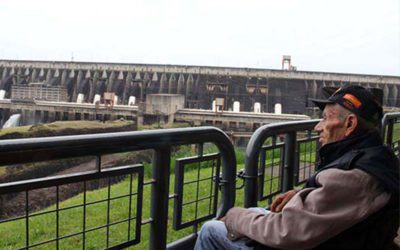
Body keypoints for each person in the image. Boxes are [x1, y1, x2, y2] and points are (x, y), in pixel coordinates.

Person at [195, 85, 399, 250]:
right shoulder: (376, 158)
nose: (317, 127)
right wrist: (301, 194)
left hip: (307, 240)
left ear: (350, 124)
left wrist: (233, 216)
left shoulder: (356, 175)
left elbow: (286, 231)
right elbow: (338, 203)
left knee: (211, 229)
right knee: (257, 210)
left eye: (326, 118)